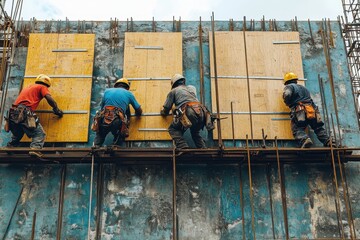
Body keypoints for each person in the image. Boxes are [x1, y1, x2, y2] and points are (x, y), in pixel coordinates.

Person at [5, 74, 63, 157]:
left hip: (13, 112)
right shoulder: (41, 87)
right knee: (39, 133)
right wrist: (56, 109)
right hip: (24, 112)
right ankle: (35, 149)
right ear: (47, 83)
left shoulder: (28, 87)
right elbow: (49, 98)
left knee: (18, 132)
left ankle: (10, 147)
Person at [160, 73, 214, 149]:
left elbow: (166, 108)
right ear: (183, 82)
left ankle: (183, 147)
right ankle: (203, 148)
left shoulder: (173, 91)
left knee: (173, 129)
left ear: (174, 84)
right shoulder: (191, 89)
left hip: (189, 112)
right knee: (195, 132)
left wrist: (163, 112)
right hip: (202, 112)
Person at [282, 72, 334, 148]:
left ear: (286, 82)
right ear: (296, 80)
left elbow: (287, 95)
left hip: (300, 110)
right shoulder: (304, 88)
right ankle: (329, 141)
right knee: (318, 127)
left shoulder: (289, 86)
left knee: (297, 128)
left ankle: (305, 140)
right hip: (311, 110)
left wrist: (287, 102)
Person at [93, 78, 142, 147]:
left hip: (104, 118)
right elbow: (138, 110)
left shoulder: (107, 91)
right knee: (120, 134)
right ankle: (116, 146)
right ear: (127, 87)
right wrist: (137, 114)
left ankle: (96, 146)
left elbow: (102, 108)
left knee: (100, 134)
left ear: (115, 86)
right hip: (117, 120)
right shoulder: (129, 94)